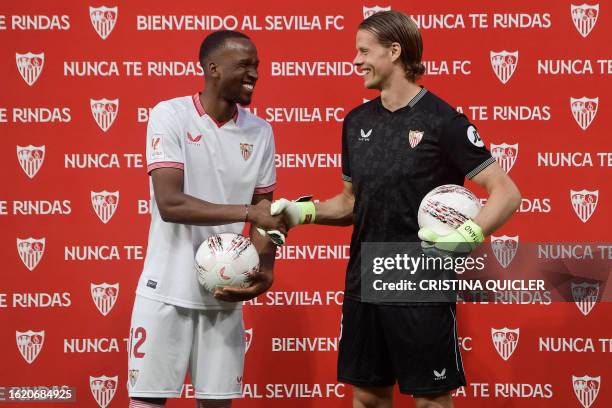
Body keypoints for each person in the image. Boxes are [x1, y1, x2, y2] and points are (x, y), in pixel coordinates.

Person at [265, 11, 521, 408]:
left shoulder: (443, 121)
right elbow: (351, 202)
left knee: (431, 400)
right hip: (366, 275)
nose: (356, 61)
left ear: (395, 51)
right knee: (367, 397)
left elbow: (506, 192)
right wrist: (304, 213)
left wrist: (468, 235)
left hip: (421, 280)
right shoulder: (355, 122)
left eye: (364, 51)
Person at [127, 30, 284, 408]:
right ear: (213, 68)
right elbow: (170, 203)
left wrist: (264, 264)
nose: (255, 74)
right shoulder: (170, 115)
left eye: (257, 66)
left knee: (217, 405)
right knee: (147, 403)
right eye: (244, 65)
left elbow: (265, 215)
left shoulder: (261, 132)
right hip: (164, 290)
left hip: (223, 294)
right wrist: (246, 212)